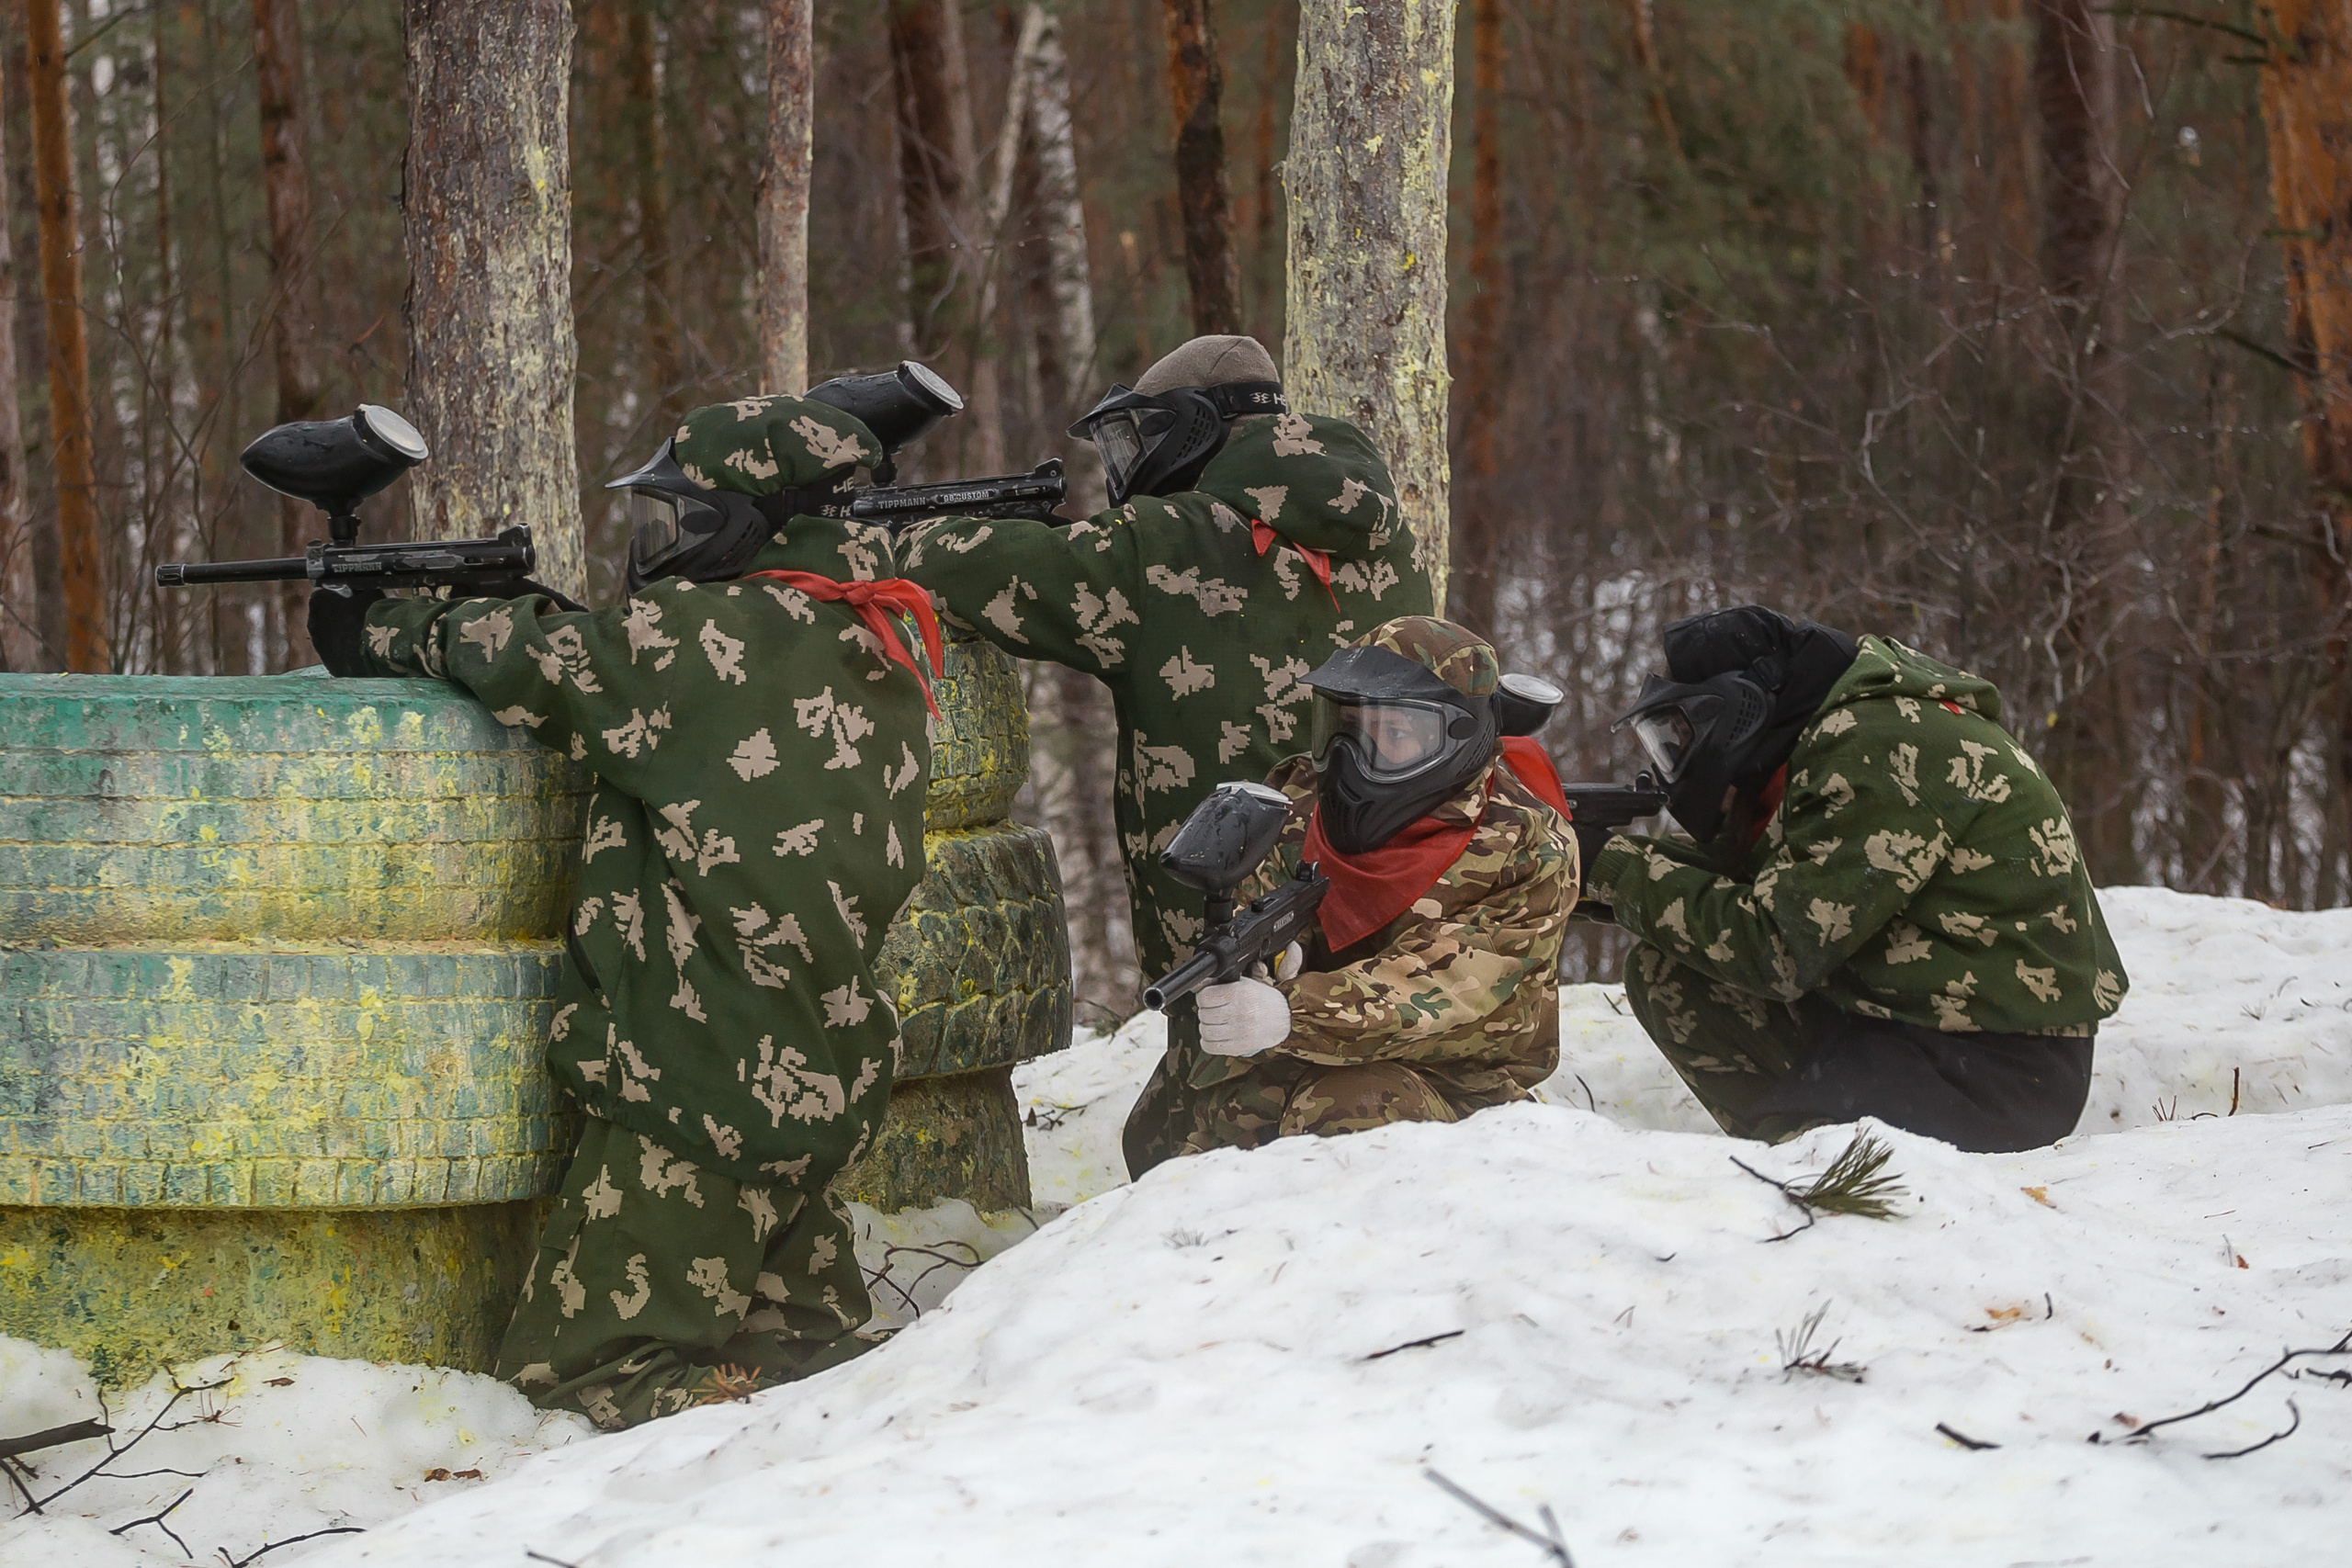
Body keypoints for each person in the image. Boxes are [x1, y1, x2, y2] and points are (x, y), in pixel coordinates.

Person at [307, 391, 934, 1428]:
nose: (666, 546)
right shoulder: (874, 634)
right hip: (819, 1078)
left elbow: (537, 660)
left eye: (684, 518)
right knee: (813, 1373)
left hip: (693, 1093)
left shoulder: (701, 635)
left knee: (584, 1383)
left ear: (748, 521)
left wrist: (378, 621)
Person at [896, 335, 1438, 1124]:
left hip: (1238, 935)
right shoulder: (1386, 535)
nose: (1134, 463)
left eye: (1142, 436)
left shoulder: (1168, 543)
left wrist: (903, 531)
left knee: (1183, 1146)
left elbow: (960, 567)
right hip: (1393, 923)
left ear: (1194, 427)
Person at [1582, 605, 2129, 1153]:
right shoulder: (1832, 737)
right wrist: (1592, 866)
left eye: (1681, 734)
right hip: (1911, 1021)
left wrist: (1611, 868)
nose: (1675, 756)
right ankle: (1793, 1143)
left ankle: (1807, 1155)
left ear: (1739, 708)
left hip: (2000, 1065)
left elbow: (1777, 946)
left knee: (1808, 1167)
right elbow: (1774, 886)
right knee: (1671, 973)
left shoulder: (1879, 744)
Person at [1123, 616, 1577, 1171]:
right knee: (1161, 1136)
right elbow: (1255, 899)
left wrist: (1290, 1011)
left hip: (1457, 1090)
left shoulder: (1526, 846)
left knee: (1347, 1106)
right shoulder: (1297, 798)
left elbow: (1438, 988)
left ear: (1459, 738)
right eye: (1347, 727)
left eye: (1396, 735)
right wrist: (1265, 958)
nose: (1354, 755)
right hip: (1298, 1053)